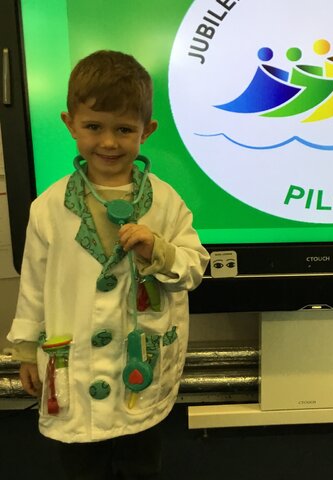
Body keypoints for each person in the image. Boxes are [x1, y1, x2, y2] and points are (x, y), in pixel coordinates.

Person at [7, 50, 209, 479]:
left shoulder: (165, 201)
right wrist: (24, 350)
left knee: (141, 461)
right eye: (93, 127)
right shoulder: (48, 207)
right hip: (74, 364)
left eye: (124, 129)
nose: (109, 143)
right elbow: (34, 284)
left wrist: (158, 250)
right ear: (70, 124)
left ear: (146, 131)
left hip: (139, 363)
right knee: (81, 463)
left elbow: (194, 267)